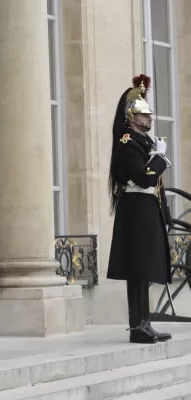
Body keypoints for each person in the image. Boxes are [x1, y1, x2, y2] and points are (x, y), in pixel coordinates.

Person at [107, 74, 173, 344]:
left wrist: (165, 213)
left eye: (149, 115)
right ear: (133, 117)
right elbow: (145, 178)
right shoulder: (127, 143)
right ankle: (137, 327)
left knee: (145, 269)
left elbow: (156, 186)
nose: (149, 119)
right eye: (145, 116)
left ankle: (146, 322)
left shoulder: (144, 142)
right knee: (137, 270)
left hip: (148, 208)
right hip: (135, 211)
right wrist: (160, 158)